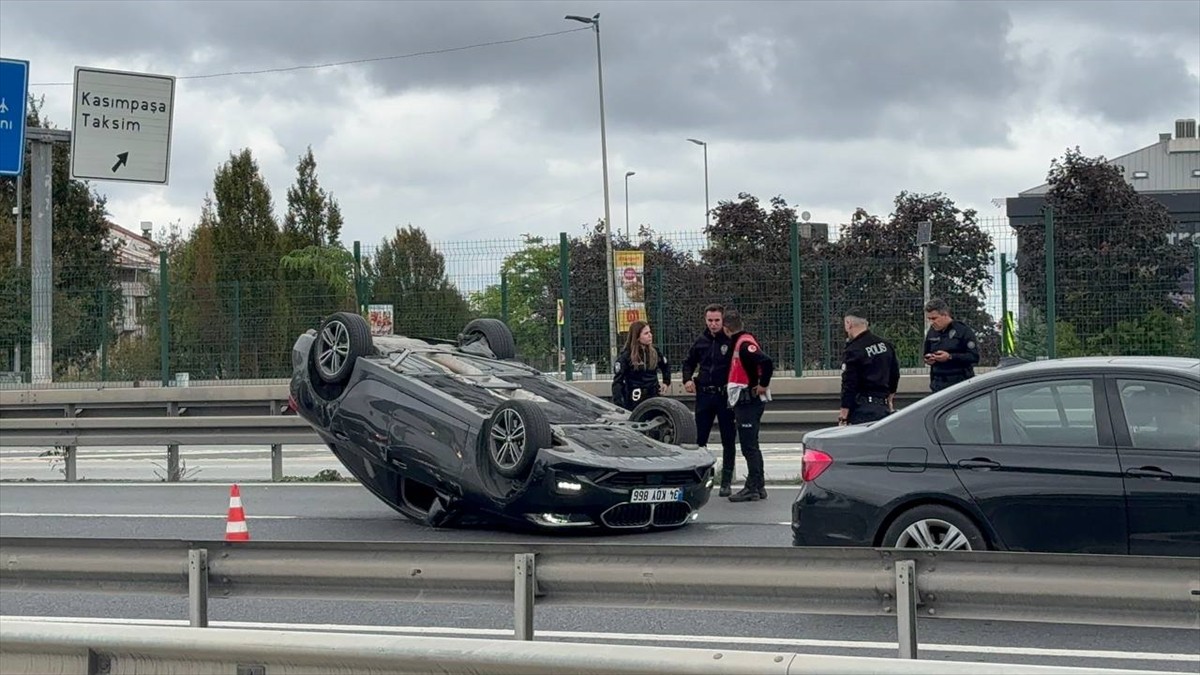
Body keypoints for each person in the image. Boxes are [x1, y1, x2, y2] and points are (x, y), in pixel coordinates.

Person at [681, 303, 739, 497]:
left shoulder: (730, 341)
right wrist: (687, 379)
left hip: (724, 396)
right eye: (710, 321)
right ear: (705, 320)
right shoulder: (701, 341)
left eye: (717, 321)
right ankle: (699, 477)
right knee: (700, 439)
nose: (713, 324)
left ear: (722, 320)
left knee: (728, 438)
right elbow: (688, 363)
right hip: (704, 395)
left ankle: (726, 480)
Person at [722, 309, 773, 503]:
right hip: (746, 401)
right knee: (751, 445)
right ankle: (758, 486)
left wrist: (763, 384)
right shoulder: (743, 341)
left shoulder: (744, 345)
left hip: (748, 402)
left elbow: (766, 362)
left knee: (749, 446)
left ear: (727, 329)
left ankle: (753, 487)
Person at [839, 312, 900, 425]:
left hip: (862, 409)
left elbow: (849, 384)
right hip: (883, 407)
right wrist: (890, 398)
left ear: (848, 324)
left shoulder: (853, 350)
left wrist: (843, 414)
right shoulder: (885, 345)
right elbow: (895, 374)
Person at [923, 299, 980, 392]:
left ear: (945, 315)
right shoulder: (932, 332)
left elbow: (974, 357)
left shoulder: (963, 331)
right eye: (929, 319)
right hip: (938, 386)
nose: (931, 322)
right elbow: (926, 353)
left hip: (960, 385)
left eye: (934, 318)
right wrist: (929, 359)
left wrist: (950, 357)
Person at [611, 320, 670, 411]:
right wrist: (619, 404)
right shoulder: (627, 356)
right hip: (635, 399)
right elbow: (617, 382)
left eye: (650, 332)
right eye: (646, 333)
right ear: (637, 337)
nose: (650, 335)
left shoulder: (655, 352)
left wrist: (666, 382)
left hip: (654, 396)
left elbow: (665, 366)